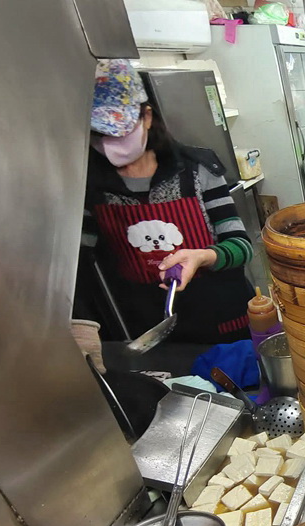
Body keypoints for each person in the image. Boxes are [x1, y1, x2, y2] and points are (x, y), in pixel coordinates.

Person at [83, 60, 253, 343]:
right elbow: (82, 260)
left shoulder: (197, 170)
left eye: (121, 131)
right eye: (100, 135)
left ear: (146, 117)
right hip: (148, 326)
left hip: (222, 318)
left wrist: (202, 256)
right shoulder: (91, 186)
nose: (111, 143)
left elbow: (241, 246)